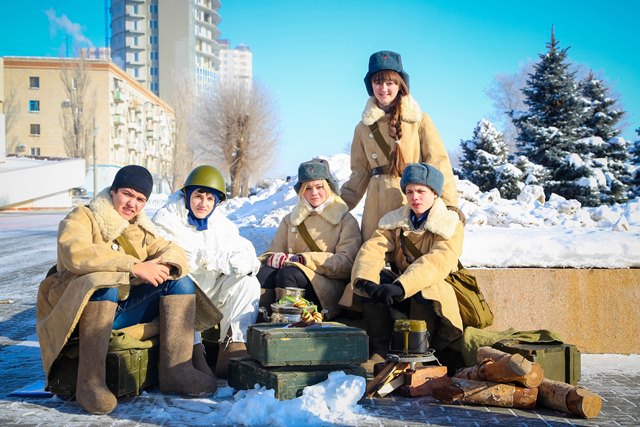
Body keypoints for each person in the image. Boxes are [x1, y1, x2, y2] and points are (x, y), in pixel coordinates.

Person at [36, 165, 221, 415]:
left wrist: (164, 264)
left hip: (119, 313)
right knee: (103, 283)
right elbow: (75, 253)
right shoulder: (82, 216)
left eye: (140, 199)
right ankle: (90, 382)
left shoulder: (138, 228)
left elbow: (172, 249)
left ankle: (176, 369)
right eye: (127, 193)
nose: (132, 203)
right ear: (113, 191)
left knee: (180, 281)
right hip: (80, 315)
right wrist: (134, 266)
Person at [344, 162, 464, 370]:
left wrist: (401, 286)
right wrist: (367, 280)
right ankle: (380, 351)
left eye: (421, 191)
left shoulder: (449, 223)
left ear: (434, 193)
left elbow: (437, 261)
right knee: (374, 280)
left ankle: (419, 353)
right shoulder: (396, 221)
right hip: (402, 288)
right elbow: (373, 248)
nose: (414, 197)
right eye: (409, 191)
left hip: (436, 291)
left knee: (424, 288)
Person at [152, 165, 261, 378]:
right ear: (186, 194)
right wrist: (214, 258)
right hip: (181, 297)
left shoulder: (220, 223)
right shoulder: (166, 220)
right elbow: (176, 259)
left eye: (210, 199)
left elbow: (248, 256)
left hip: (211, 293)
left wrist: (229, 261)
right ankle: (193, 353)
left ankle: (233, 347)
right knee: (182, 281)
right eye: (198, 196)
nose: (203, 204)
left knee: (248, 283)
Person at [340, 50, 460, 241]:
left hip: (411, 201)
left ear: (400, 85)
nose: (384, 88)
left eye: (390, 82)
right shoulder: (362, 128)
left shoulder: (419, 120)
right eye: (378, 82)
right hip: (376, 205)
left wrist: (449, 204)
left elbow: (438, 162)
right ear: (371, 85)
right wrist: (332, 209)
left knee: (407, 258)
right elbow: (359, 175)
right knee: (372, 258)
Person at [257, 159, 362, 320]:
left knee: (289, 273)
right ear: (301, 192)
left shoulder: (345, 220)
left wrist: (303, 259)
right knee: (264, 273)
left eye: (319, 187)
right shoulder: (290, 220)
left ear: (328, 187)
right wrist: (271, 258)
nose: (314, 193)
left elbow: (347, 262)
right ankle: (261, 322)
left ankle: (291, 324)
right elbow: (273, 250)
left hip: (327, 286)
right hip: (292, 274)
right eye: (308, 188)